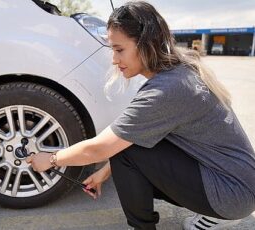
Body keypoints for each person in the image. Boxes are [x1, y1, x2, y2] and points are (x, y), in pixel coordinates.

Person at [26, 1, 255, 229]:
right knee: (126, 144)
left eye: (119, 50)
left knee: (124, 150)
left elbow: (100, 148)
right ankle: (216, 213)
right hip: (240, 183)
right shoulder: (181, 70)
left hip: (232, 194)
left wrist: (51, 159)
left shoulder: (166, 90)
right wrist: (105, 172)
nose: (115, 60)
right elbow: (155, 136)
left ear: (146, 44)